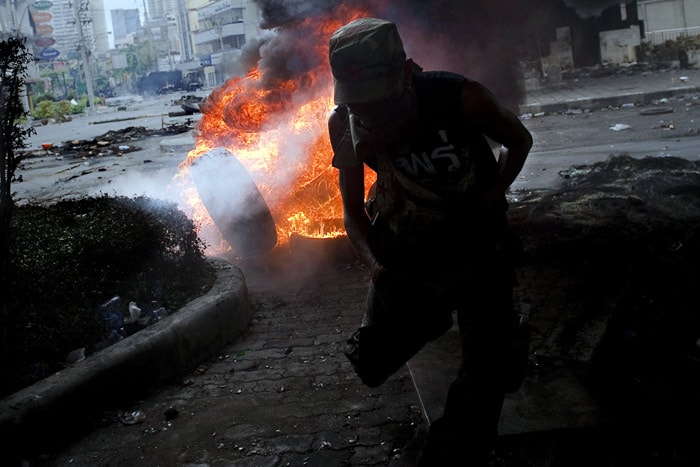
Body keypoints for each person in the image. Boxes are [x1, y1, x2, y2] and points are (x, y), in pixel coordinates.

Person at [327, 18, 533, 465]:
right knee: (373, 363)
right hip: (409, 250)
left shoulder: (460, 98)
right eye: (358, 102)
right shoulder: (346, 123)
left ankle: (455, 443)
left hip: (477, 244)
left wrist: (489, 198)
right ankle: (439, 318)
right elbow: (351, 212)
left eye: (377, 98)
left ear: (404, 72)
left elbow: (518, 142)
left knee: (484, 375)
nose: (369, 113)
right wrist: (378, 269)